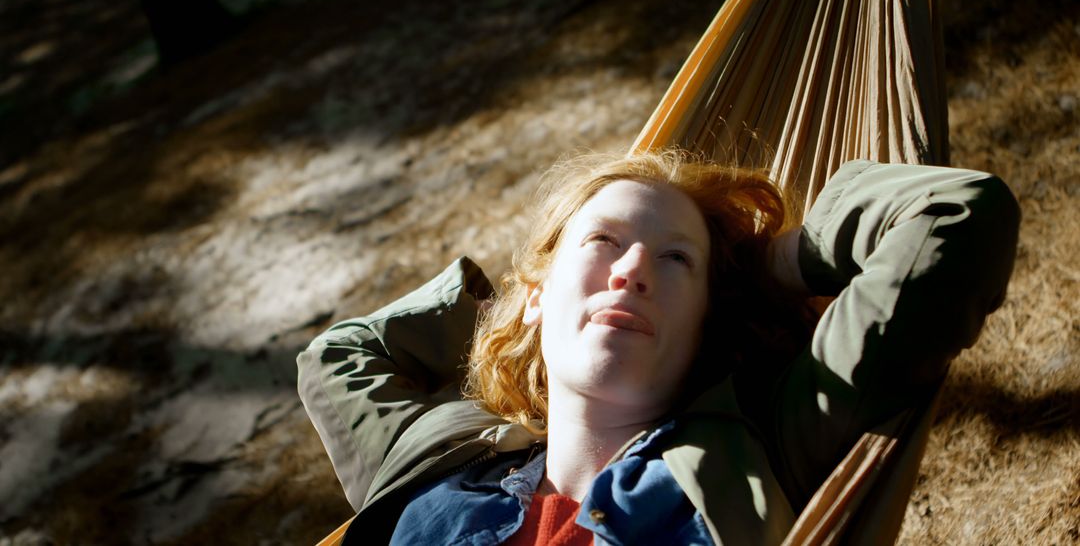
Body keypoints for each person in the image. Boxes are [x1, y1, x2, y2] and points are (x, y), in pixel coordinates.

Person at [297, 151, 1019, 545]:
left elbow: (957, 215)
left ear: (708, 319)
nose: (634, 268)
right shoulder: (439, 461)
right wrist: (508, 311)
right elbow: (334, 358)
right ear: (539, 289)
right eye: (604, 242)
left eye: (676, 261)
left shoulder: (763, 446)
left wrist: (772, 266)